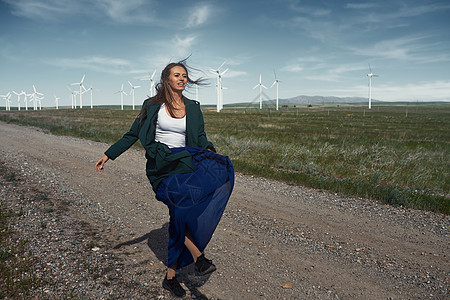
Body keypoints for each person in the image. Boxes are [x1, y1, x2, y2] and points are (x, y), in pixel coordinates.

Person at [95, 59, 234, 298]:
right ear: (166, 79)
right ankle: (199, 258)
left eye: (184, 76)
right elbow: (132, 135)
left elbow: (200, 138)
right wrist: (108, 155)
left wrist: (210, 153)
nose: (182, 79)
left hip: (186, 165)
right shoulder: (151, 106)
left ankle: (170, 277)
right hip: (162, 168)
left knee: (180, 217)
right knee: (179, 214)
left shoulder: (192, 107)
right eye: (177, 75)